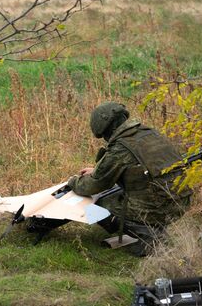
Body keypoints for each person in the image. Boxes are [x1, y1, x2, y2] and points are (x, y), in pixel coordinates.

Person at [67, 102, 192, 256]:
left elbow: (93, 186)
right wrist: (96, 170)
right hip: (181, 201)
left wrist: (72, 182)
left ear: (107, 129)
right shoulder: (148, 133)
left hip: (160, 207)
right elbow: (137, 166)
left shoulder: (121, 147)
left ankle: (149, 237)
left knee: (96, 205)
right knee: (120, 193)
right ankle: (155, 227)